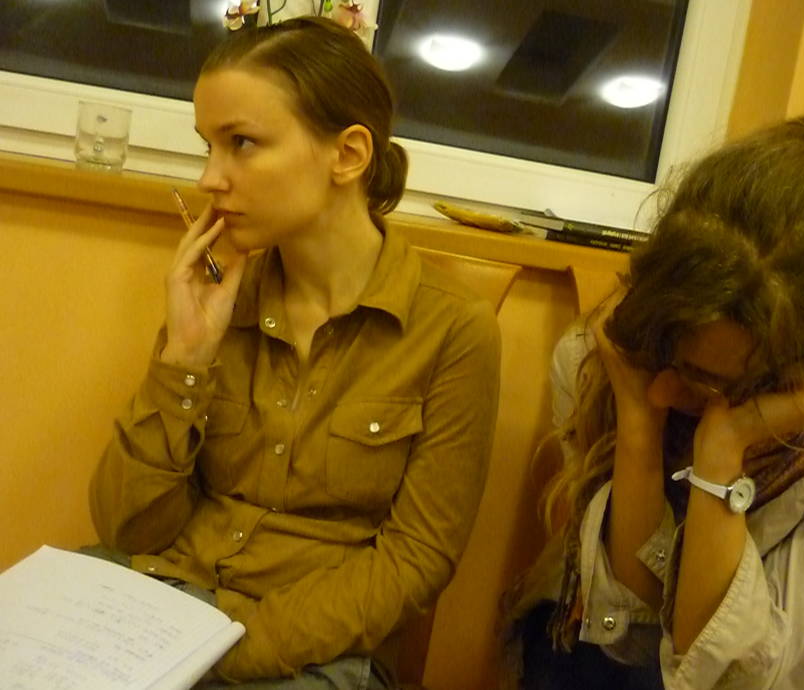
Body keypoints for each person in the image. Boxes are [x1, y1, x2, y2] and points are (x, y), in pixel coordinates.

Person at [89, 17, 501, 688]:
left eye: (242, 144)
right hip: (162, 603)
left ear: (348, 155)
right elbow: (127, 527)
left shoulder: (453, 329)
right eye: (208, 147)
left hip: (312, 651)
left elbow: (416, 559)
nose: (210, 179)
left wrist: (228, 651)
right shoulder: (222, 292)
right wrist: (184, 360)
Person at [503, 116, 804, 689]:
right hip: (601, 651)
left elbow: (727, 671)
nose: (664, 391)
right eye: (672, 358)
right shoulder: (601, 357)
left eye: (710, 383)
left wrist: (722, 448)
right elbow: (633, 624)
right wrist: (639, 421)